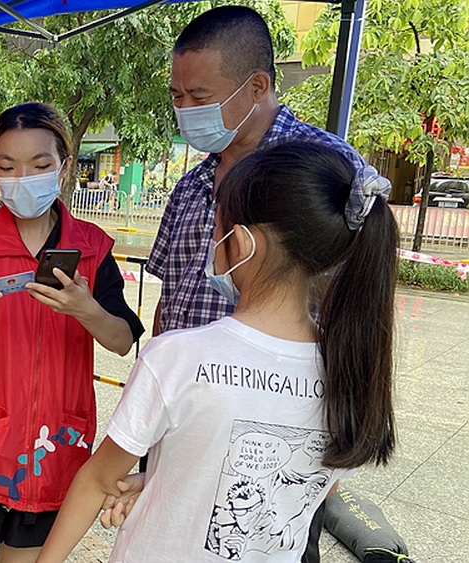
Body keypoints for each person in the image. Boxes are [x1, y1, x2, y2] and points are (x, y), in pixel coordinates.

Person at [36, 141, 398, 562]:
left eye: (217, 228)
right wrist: (165, 482)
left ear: (241, 243)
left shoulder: (178, 357)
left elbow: (98, 481)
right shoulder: (352, 370)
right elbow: (313, 485)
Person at [141, 7, 381, 558]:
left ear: (256, 86)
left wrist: (338, 433)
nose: (185, 110)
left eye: (200, 96)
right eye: (177, 96)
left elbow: (357, 312)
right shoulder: (192, 185)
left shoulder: (325, 172)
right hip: (188, 429)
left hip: (276, 443)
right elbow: (169, 308)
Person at [0, 103, 143, 563]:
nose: (23, 177)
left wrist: (87, 310)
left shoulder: (92, 247)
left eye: (40, 165)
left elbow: (121, 342)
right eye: (7, 167)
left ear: (64, 166)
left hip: (51, 449)